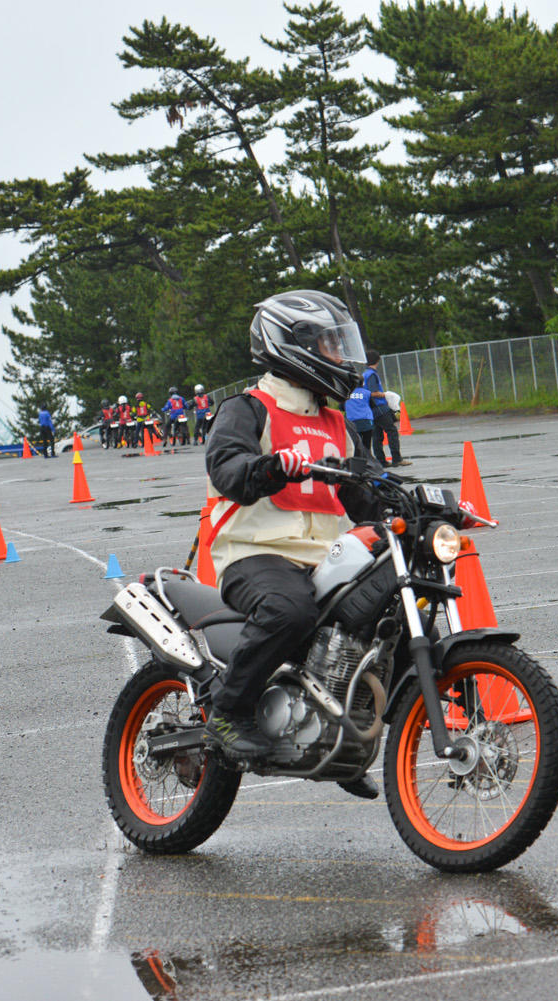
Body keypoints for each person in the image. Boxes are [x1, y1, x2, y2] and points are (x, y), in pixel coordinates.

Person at [202, 289, 381, 799]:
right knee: (289, 610)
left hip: (320, 559)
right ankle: (228, 711)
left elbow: (364, 490)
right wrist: (267, 466)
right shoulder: (246, 409)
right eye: (327, 345)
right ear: (291, 345)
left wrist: (417, 508)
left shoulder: (334, 422)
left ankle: (343, 736)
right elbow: (227, 468)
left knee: (375, 612)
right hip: (252, 554)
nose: (338, 356)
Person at [362, 349, 410, 467]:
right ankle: (397, 459)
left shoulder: (364, 374)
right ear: (377, 360)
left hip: (370, 409)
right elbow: (373, 392)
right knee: (391, 431)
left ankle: (381, 461)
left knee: (377, 435)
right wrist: (386, 395)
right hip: (379, 407)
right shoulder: (372, 374)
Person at [343, 379, 376, 460]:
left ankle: (358, 462)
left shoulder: (346, 393)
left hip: (351, 421)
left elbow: (342, 407)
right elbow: (373, 405)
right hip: (366, 420)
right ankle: (369, 462)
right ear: (362, 383)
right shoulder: (366, 392)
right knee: (367, 444)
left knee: (355, 444)